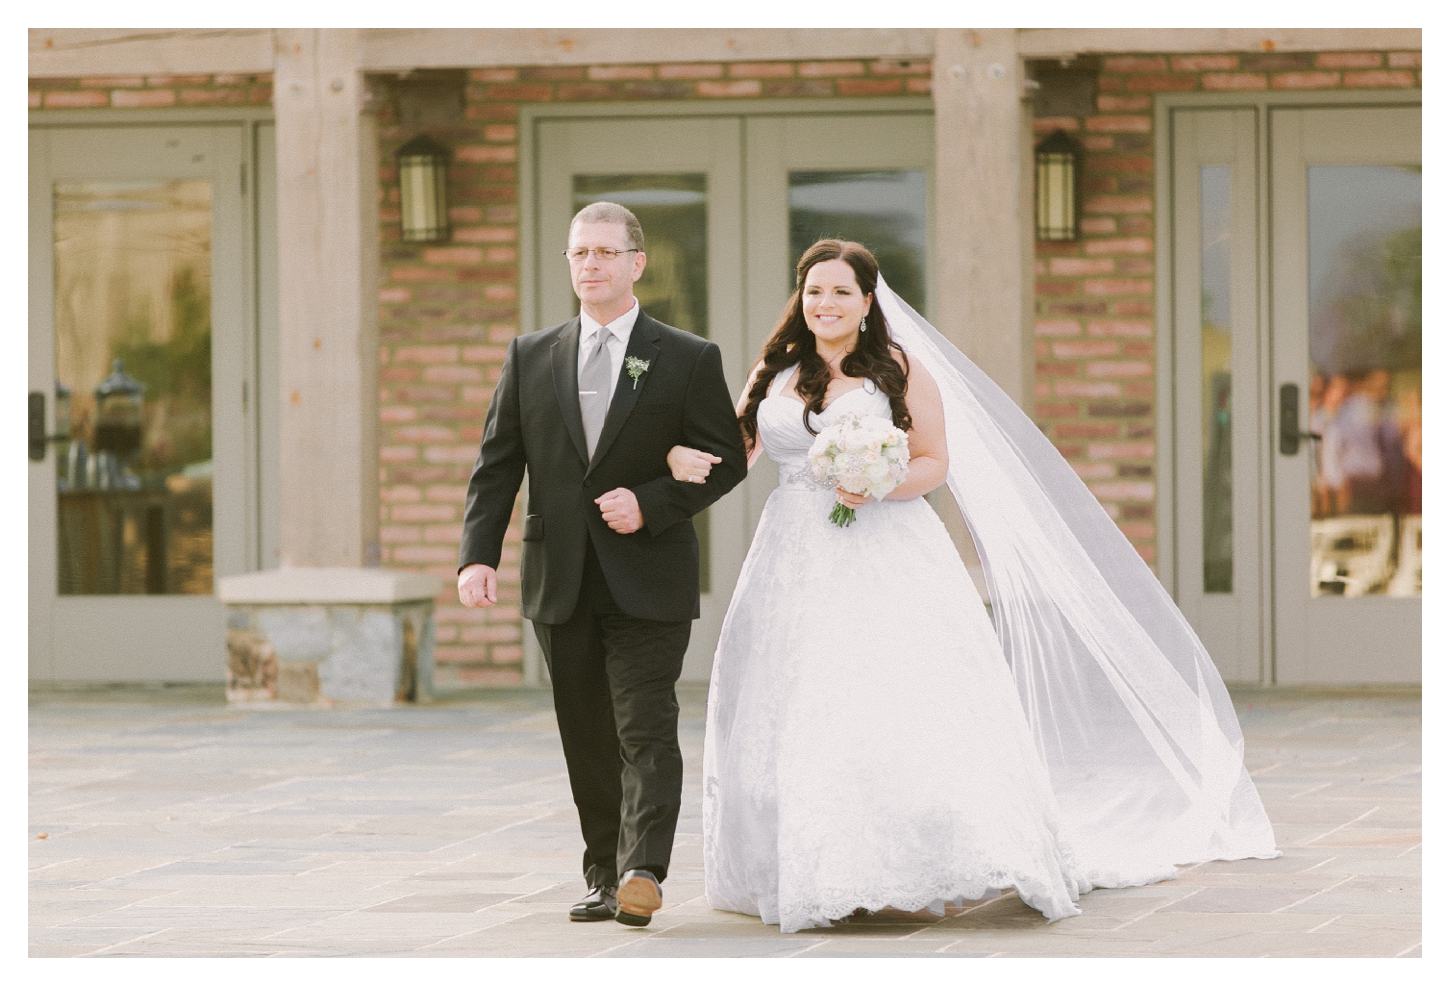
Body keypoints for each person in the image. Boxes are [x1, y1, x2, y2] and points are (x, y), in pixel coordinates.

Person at [668, 239, 1279, 933]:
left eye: (840, 292)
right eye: (814, 291)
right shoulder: (773, 371)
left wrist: (880, 482)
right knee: (797, 695)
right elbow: (735, 456)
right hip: (791, 555)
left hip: (886, 547)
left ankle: (905, 860)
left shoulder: (897, 369)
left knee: (891, 695)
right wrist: (672, 462)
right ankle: (813, 861)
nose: (825, 304)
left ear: (868, 303)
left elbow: (934, 462)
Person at [457, 201, 747, 927]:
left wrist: (652, 502)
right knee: (585, 733)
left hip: (649, 574)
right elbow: (498, 465)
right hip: (560, 579)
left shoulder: (687, 356)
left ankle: (644, 869)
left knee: (644, 724)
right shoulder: (532, 355)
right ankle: (603, 873)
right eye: (580, 253)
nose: (591, 265)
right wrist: (476, 556)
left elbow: (727, 462)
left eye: (606, 253)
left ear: (636, 263)